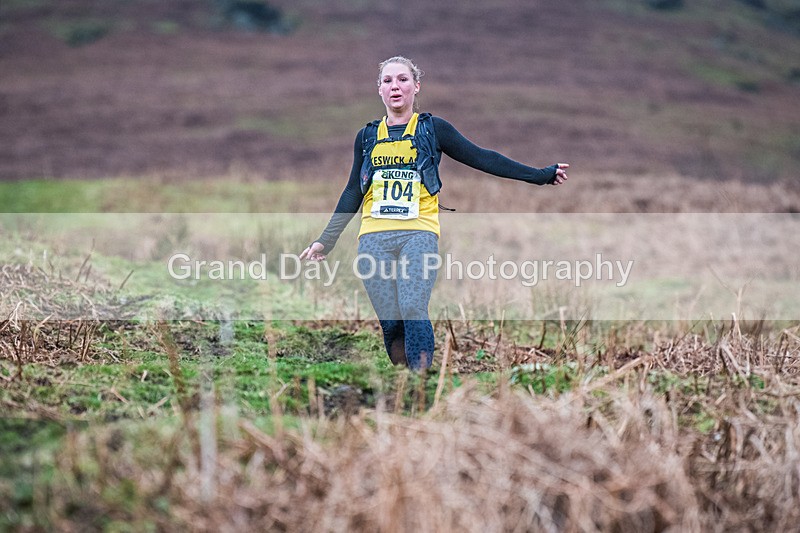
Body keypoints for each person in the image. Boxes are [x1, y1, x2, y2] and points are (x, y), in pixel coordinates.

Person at [299, 56, 568, 370]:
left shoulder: (433, 129)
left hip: (419, 233)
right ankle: (403, 383)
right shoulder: (367, 137)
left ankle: (421, 381)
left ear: (416, 86)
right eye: (388, 81)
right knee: (392, 322)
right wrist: (326, 241)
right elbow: (352, 191)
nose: (395, 86)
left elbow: (483, 158)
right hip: (373, 237)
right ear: (379, 90)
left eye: (402, 79)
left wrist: (539, 175)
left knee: (413, 306)